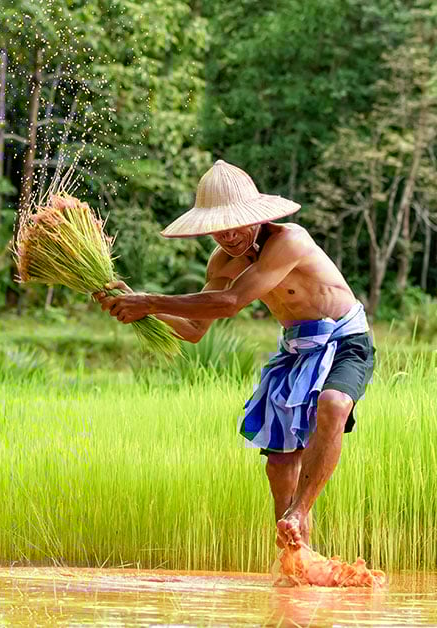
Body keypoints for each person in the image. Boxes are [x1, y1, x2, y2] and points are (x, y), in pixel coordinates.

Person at [94, 160, 375, 551]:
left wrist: (149, 301)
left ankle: (299, 512)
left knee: (334, 403)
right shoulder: (222, 262)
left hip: (345, 339)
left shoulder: (290, 240)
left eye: (236, 224)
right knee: (279, 465)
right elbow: (195, 330)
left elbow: (230, 302)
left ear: (255, 217)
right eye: (219, 227)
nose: (228, 235)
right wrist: (140, 308)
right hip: (296, 349)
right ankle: (297, 561)